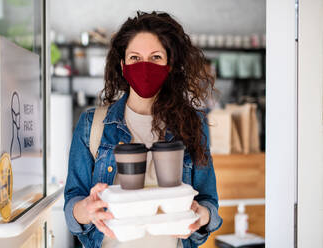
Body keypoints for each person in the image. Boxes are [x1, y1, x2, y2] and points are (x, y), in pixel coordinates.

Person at [64, 11, 222, 248]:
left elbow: (209, 203)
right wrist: (86, 210)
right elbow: (72, 206)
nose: (145, 66)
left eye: (156, 57)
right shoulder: (92, 125)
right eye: (135, 58)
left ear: (169, 65)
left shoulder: (192, 125)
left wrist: (202, 215)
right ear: (123, 65)